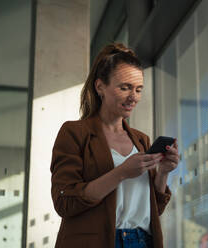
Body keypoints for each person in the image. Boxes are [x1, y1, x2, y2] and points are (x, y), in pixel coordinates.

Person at [50, 43, 179, 248]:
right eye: (125, 87)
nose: (133, 97)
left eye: (138, 89)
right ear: (100, 86)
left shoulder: (141, 140)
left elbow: (154, 210)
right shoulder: (74, 133)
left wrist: (163, 173)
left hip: (142, 242)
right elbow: (64, 202)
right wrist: (121, 172)